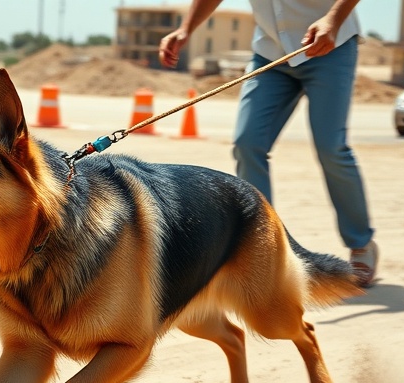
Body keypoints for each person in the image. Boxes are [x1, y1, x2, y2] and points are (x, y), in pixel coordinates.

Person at [159, 0, 378, 287]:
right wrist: (186, 29)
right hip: (270, 55)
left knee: (330, 147)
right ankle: (265, 246)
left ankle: (361, 243)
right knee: (247, 144)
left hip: (330, 47)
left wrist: (333, 20)